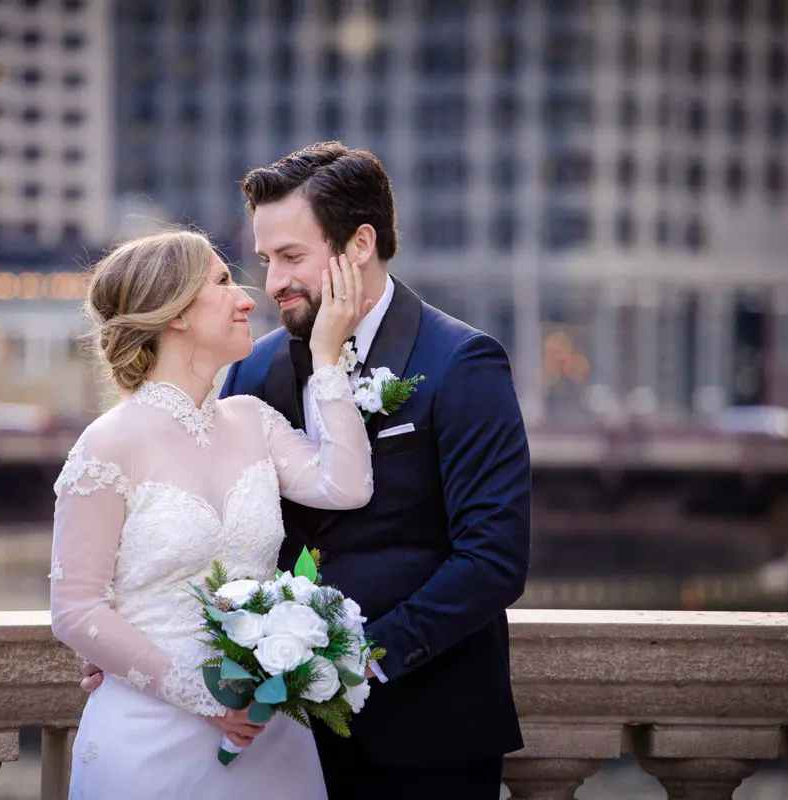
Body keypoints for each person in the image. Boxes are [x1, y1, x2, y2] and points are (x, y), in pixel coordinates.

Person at [83, 142, 532, 799]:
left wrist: (357, 662)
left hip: (428, 728)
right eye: (265, 260)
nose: (271, 284)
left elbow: (493, 559)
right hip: (278, 736)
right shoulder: (255, 366)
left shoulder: (462, 363)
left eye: (291, 257)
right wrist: (130, 646)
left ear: (359, 245)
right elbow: (205, 529)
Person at [50, 229, 374, 799]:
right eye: (223, 282)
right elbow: (75, 611)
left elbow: (346, 486)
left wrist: (327, 359)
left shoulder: (253, 419)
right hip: (150, 741)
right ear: (175, 313)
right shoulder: (106, 445)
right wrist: (209, 699)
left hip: (270, 738)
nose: (247, 298)